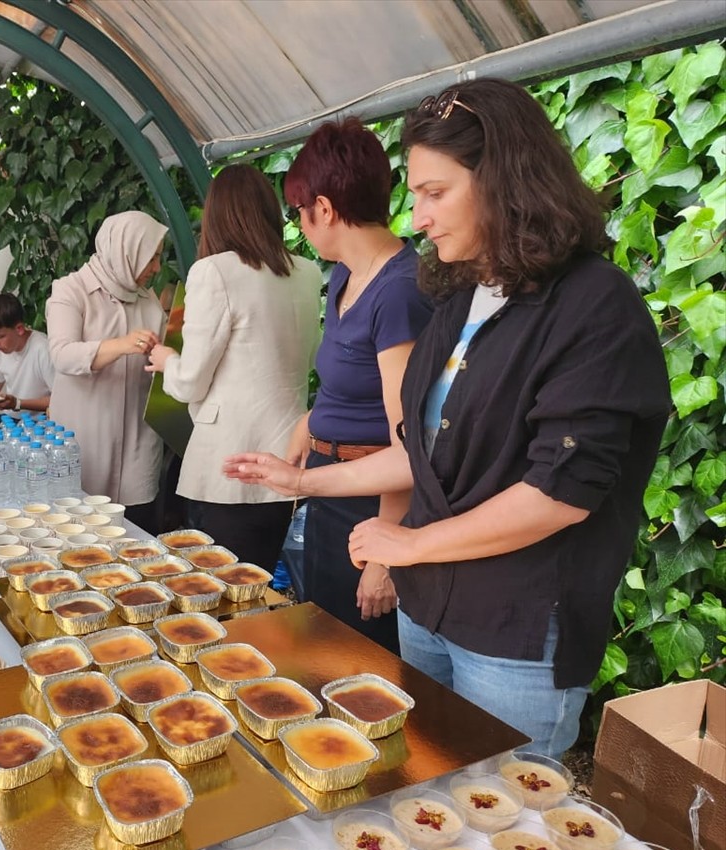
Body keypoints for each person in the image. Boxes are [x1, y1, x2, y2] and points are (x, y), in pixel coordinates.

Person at [224, 78, 670, 756]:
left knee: (504, 827)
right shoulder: (461, 295)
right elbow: (419, 452)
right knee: (423, 787)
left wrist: (408, 545)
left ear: (505, 180)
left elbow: (561, 494)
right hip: (427, 610)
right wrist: (305, 482)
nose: (420, 216)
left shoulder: (593, 305)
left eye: (436, 192)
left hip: (516, 630)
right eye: (417, 192)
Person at [283, 119, 433, 654]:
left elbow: (406, 443)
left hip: (374, 502)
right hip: (332, 486)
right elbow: (348, 380)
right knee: (320, 647)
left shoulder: (399, 291)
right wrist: (310, 423)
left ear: (323, 208)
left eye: (299, 213)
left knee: (356, 662)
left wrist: (382, 557)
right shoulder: (344, 276)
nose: (301, 226)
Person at [144, 165, 321, 572]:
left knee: (217, 592)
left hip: (227, 467)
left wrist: (166, 359)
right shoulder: (307, 273)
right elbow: (310, 358)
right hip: (285, 463)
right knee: (256, 584)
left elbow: (189, 382)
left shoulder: (214, 271)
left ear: (216, 216)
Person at [46, 210, 167, 534]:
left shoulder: (148, 301)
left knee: (136, 538)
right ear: (126, 251)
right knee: (80, 538)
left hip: (138, 444)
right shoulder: (71, 291)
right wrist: (121, 345)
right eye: (150, 258)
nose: (156, 268)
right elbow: (62, 354)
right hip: (85, 441)